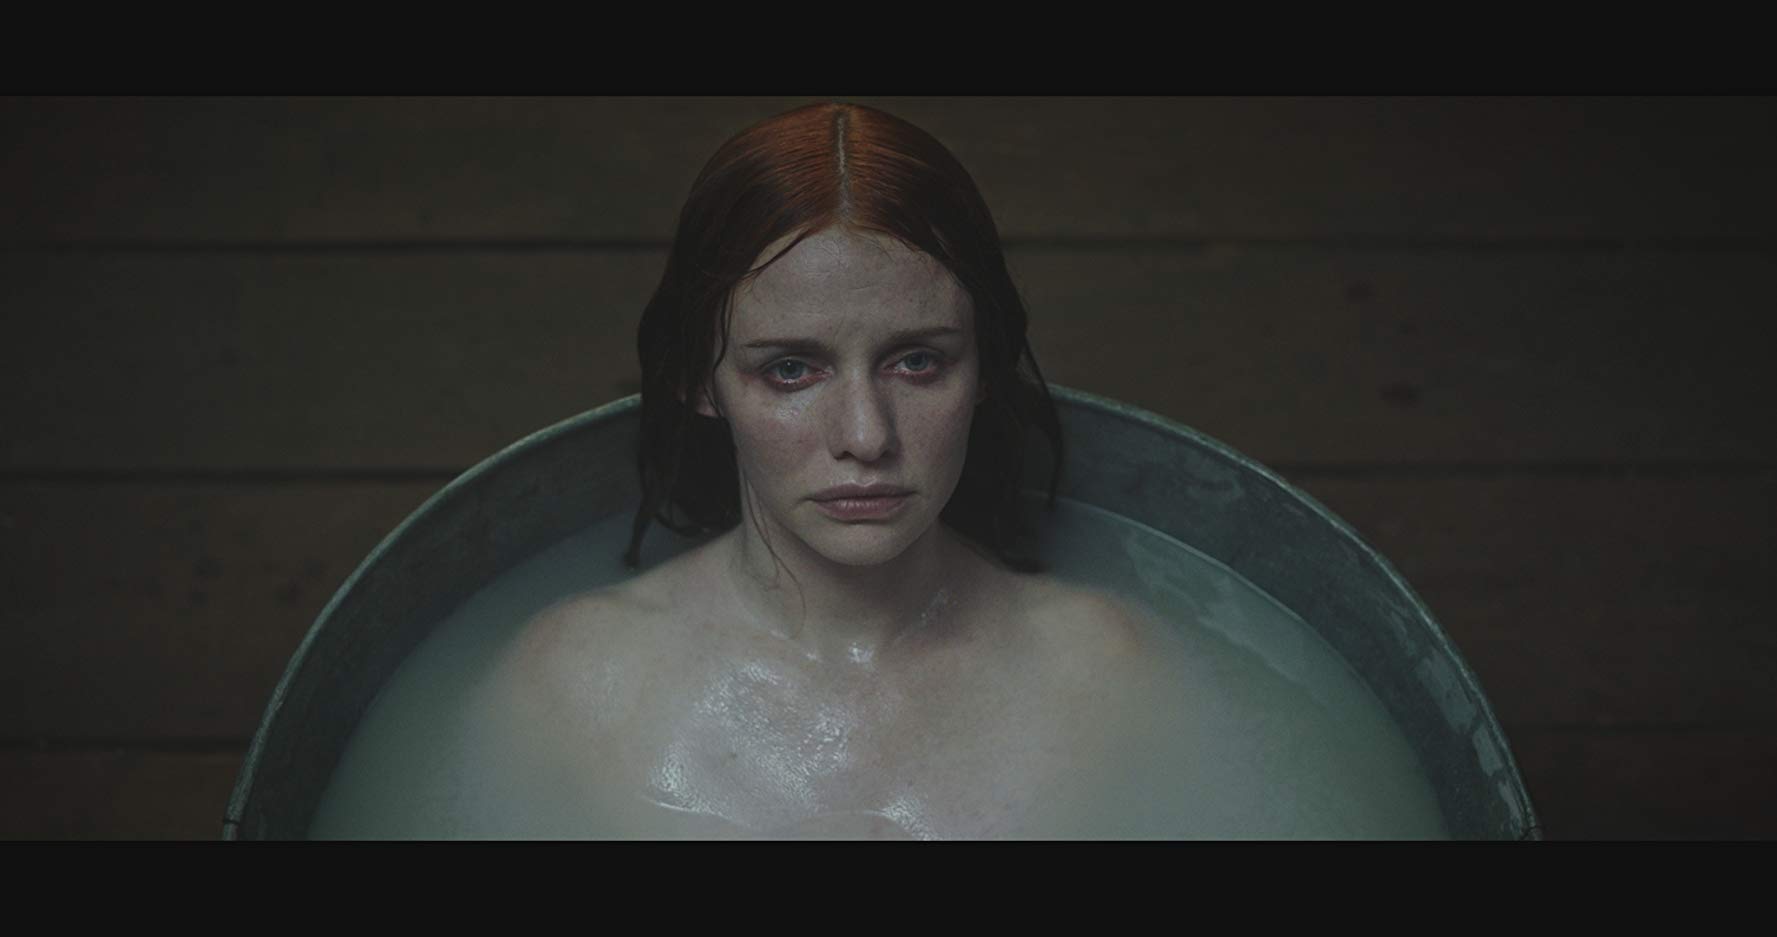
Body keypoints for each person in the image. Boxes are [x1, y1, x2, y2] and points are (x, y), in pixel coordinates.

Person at [487, 102, 1181, 839]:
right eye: (790, 369)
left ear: (984, 368)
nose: (865, 436)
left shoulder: (1104, 674)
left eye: (919, 361)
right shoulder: (576, 683)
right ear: (698, 379)